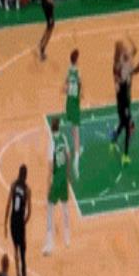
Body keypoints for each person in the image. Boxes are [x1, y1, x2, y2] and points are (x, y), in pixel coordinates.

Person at [43, 117, 70, 256]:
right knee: (65, 209)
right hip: (64, 179)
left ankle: (50, 244)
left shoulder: (51, 143)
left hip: (56, 181)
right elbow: (68, 157)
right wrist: (68, 175)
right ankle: (67, 238)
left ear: (51, 128)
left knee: (50, 212)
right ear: (59, 127)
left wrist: (48, 188)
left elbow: (50, 167)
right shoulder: (64, 138)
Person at [4, 165, 31, 276]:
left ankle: (18, 275)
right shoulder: (27, 190)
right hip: (20, 223)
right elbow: (29, 212)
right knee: (23, 253)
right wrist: (24, 222)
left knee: (15, 250)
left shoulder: (13, 185)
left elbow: (8, 205)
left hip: (12, 222)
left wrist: (5, 223)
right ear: (26, 176)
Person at [110, 38, 137, 166]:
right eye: (124, 49)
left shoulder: (119, 63)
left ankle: (113, 140)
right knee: (127, 127)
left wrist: (130, 39)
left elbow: (134, 50)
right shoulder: (120, 65)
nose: (127, 51)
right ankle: (125, 155)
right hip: (123, 100)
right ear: (121, 52)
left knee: (123, 123)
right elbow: (118, 84)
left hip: (123, 99)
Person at [64, 49, 82, 179]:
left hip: (68, 102)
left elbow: (65, 87)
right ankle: (76, 160)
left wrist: (70, 90)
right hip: (75, 103)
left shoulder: (68, 71)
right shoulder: (77, 72)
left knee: (72, 127)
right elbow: (80, 85)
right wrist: (79, 94)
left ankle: (75, 150)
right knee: (77, 133)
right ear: (77, 59)